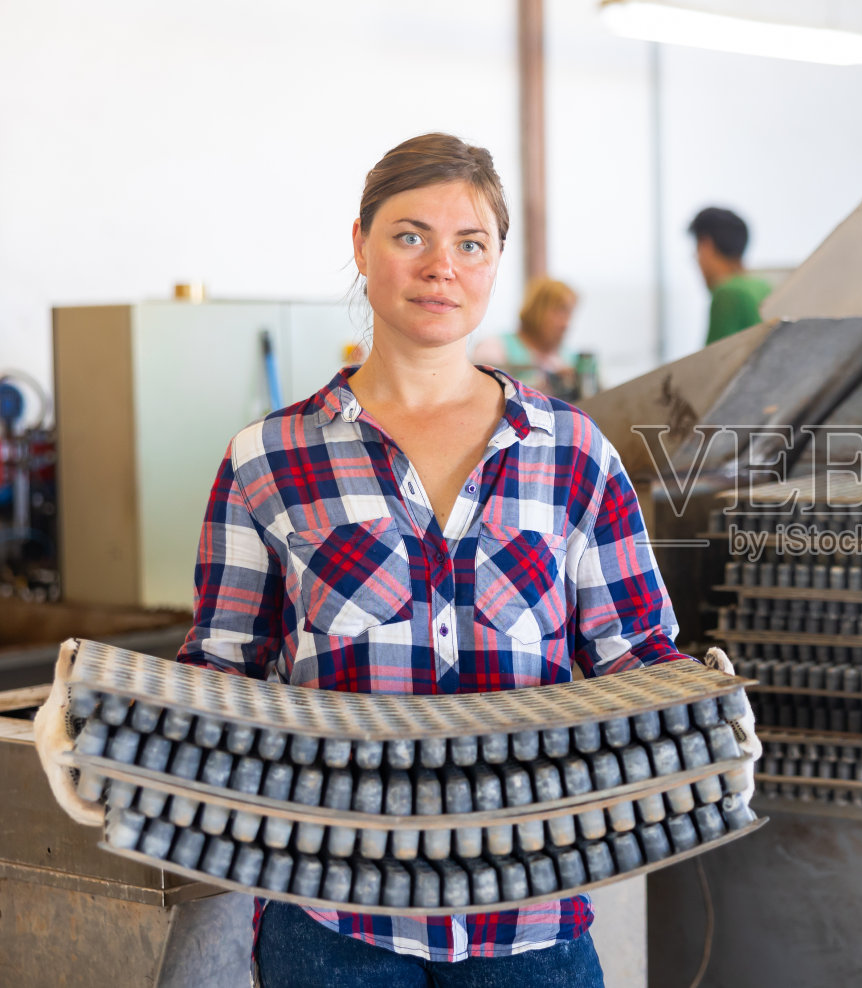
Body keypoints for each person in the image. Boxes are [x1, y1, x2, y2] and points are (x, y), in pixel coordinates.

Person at [158, 133, 750, 986]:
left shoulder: (574, 454)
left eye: (470, 243)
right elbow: (221, 676)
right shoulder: (269, 459)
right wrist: (125, 735)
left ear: (497, 260)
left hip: (534, 921)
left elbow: (636, 660)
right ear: (359, 245)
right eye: (410, 235)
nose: (442, 265)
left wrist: (706, 712)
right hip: (332, 920)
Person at [471, 277, 579, 400]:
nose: (566, 324)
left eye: (569, 313)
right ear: (537, 310)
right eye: (560, 311)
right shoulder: (495, 348)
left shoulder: (569, 359)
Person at [688, 206, 770, 346]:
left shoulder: (727, 294)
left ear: (706, 245)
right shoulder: (762, 285)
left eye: (697, 249)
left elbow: (712, 364)